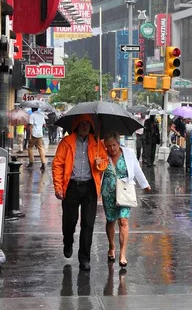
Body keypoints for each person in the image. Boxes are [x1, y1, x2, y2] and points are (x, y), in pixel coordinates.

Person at [52, 115, 108, 271]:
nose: (84, 126)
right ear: (76, 126)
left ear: (91, 127)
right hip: (71, 187)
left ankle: (84, 258)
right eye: (82, 124)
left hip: (90, 188)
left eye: (87, 124)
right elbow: (57, 165)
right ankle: (68, 241)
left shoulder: (96, 143)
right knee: (70, 221)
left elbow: (104, 162)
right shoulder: (67, 142)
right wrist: (58, 187)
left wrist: (100, 163)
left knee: (88, 224)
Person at [101, 131, 151, 267]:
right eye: (108, 146)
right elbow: (97, 171)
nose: (112, 149)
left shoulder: (128, 153)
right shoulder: (103, 155)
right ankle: (112, 247)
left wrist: (145, 184)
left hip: (124, 191)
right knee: (110, 220)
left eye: (114, 145)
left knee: (123, 221)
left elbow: (136, 169)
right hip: (108, 192)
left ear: (119, 143)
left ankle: (123, 254)